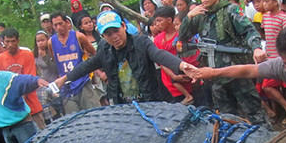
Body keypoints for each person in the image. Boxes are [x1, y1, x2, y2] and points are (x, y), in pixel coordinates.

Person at [53, 10, 197, 104]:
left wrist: (182, 65)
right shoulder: (105, 48)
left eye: (116, 30)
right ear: (103, 36)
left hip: (149, 101)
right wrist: (64, 79)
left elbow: (159, 54)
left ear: (124, 26)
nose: (114, 37)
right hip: (122, 105)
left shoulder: (141, 42)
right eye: (108, 34)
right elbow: (87, 65)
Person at [179, 0, 269, 127]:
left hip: (236, 71)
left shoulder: (230, 10)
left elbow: (249, 31)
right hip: (215, 75)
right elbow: (182, 36)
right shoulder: (201, 14)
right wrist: (189, 16)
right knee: (226, 118)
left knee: (255, 113)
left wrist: (257, 48)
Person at [48, 12, 101, 114]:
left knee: (94, 113)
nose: (59, 27)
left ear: (66, 22)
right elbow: (54, 60)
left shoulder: (78, 36)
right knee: (74, 118)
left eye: (60, 23)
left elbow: (94, 54)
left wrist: (96, 73)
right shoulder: (51, 42)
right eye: (55, 25)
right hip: (66, 86)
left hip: (82, 81)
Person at [0, 28, 45, 129]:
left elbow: (29, 80)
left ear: (18, 41)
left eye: (13, 41)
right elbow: (2, 84)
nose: (10, 45)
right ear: (3, 42)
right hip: (13, 110)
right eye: (7, 41)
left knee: (42, 133)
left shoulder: (27, 54)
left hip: (32, 105)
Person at [153, 7, 194, 105]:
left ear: (169, 20)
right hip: (169, 82)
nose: (157, 24)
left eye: (159, 20)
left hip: (188, 77)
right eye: (156, 21)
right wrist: (174, 76)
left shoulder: (181, 35)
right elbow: (161, 62)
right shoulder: (158, 39)